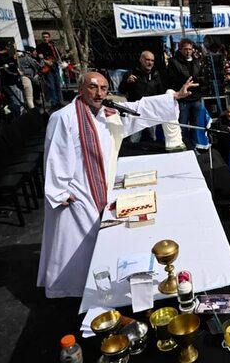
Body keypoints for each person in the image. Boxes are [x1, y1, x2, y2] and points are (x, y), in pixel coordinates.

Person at [37, 72, 198, 298]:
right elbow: (55, 153)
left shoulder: (107, 114)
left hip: (102, 182)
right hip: (76, 190)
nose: (99, 93)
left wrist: (173, 98)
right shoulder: (63, 117)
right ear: (81, 89)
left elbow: (138, 111)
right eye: (93, 87)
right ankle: (68, 288)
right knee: (73, 245)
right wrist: (60, 190)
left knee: (96, 239)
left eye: (103, 88)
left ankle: (93, 284)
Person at [119, 50, 185, 151]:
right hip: (135, 112)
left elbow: (161, 94)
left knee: (152, 138)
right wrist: (127, 82)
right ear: (141, 60)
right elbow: (121, 90)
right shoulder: (131, 73)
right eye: (147, 60)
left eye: (152, 61)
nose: (150, 63)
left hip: (151, 112)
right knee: (133, 139)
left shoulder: (156, 75)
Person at [166, 39, 204, 144]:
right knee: (183, 126)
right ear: (181, 49)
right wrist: (185, 84)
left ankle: (193, 146)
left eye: (190, 49)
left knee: (195, 126)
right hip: (183, 100)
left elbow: (201, 77)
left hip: (196, 98)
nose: (188, 51)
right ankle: (183, 146)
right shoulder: (174, 62)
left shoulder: (197, 61)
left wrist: (198, 83)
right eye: (186, 49)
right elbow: (172, 80)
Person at [36, 31, 63, 109]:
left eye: (47, 37)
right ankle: (54, 102)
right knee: (51, 86)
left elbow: (58, 56)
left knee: (58, 85)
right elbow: (39, 57)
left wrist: (60, 59)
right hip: (47, 68)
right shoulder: (39, 47)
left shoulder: (52, 46)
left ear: (49, 38)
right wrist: (46, 61)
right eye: (44, 37)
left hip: (55, 66)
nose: (45, 38)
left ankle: (59, 101)